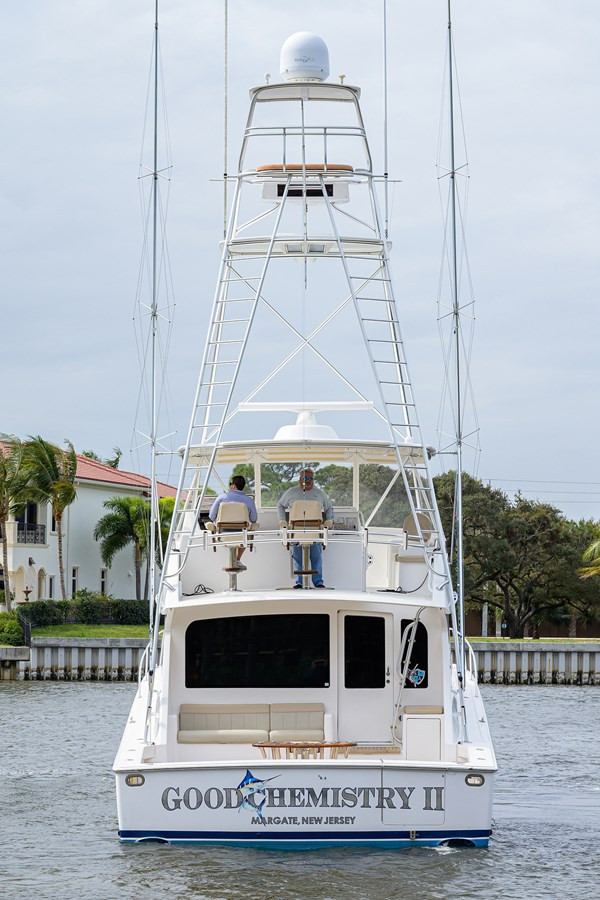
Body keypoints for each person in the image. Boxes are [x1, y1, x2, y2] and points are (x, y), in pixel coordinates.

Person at [277, 468, 334, 588]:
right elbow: (280, 505)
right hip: (296, 531)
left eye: (310, 479)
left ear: (313, 480)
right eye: (304, 478)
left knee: (316, 557)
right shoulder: (292, 492)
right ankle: (300, 582)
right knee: (298, 558)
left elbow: (329, 508)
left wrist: (329, 520)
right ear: (300, 479)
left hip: (315, 532)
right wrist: (282, 521)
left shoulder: (319, 493)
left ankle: (318, 582)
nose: (307, 481)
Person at [209, 475, 257, 570]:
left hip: (223, 533)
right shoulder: (249, 500)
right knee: (247, 530)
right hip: (242, 535)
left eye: (231, 484)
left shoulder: (221, 497)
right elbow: (254, 519)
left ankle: (235, 560)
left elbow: (211, 516)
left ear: (234, 486)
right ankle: (237, 559)